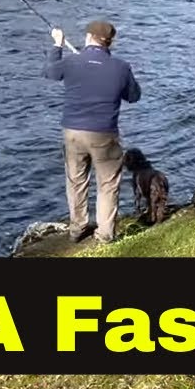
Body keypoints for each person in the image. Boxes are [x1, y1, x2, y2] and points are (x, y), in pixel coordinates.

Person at [43, 20, 141, 244]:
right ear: (110, 42)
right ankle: (105, 234)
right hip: (104, 135)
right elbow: (134, 96)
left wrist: (57, 45)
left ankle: (77, 228)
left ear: (88, 37)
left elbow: (49, 72)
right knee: (107, 184)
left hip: (73, 132)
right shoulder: (121, 67)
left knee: (76, 181)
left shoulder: (72, 61)